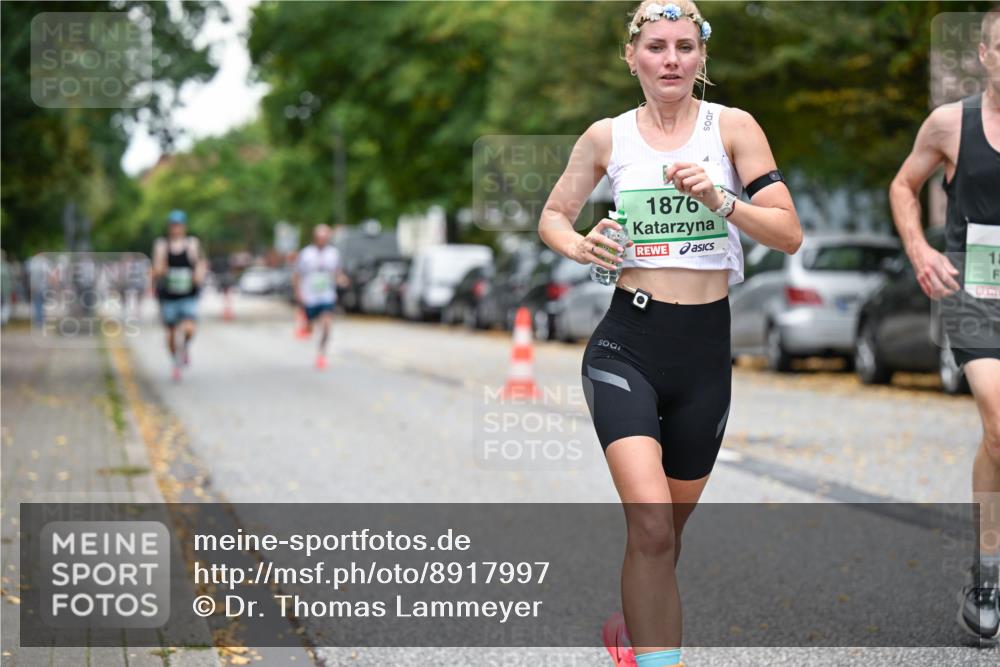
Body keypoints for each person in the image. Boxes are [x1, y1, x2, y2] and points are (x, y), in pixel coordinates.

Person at [538, 2, 801, 665]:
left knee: (666, 536)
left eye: (685, 46)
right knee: (651, 523)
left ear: (701, 58)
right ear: (633, 57)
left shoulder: (733, 128)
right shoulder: (607, 137)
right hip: (629, 342)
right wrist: (583, 244)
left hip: (706, 351)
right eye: (657, 46)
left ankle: (632, 629)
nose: (672, 59)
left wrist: (723, 200)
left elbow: (789, 231)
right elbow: (553, 217)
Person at [889, 6, 1000, 642]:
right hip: (976, 291)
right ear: (984, 56)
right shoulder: (951, 124)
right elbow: (904, 186)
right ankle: (987, 574)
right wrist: (921, 251)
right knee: (997, 417)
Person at [151, 210, 207, 382]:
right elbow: (155, 270)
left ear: (184, 226)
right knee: (171, 335)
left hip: (188, 294)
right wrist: (161, 269)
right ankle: (176, 362)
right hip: (168, 296)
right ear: (169, 227)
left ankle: (185, 348)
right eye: (173, 225)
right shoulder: (162, 245)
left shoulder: (192, 244)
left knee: (190, 329)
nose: (176, 229)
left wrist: (198, 276)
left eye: (179, 225)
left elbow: (201, 263)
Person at [293, 224, 349, 370]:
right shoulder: (306, 254)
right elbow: (297, 275)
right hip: (309, 296)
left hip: (326, 295)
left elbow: (337, 272)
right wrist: (298, 293)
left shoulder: (333, 253)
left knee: (326, 325)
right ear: (315, 238)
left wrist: (342, 279)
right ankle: (307, 325)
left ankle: (321, 355)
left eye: (325, 237)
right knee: (311, 326)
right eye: (320, 237)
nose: (323, 240)